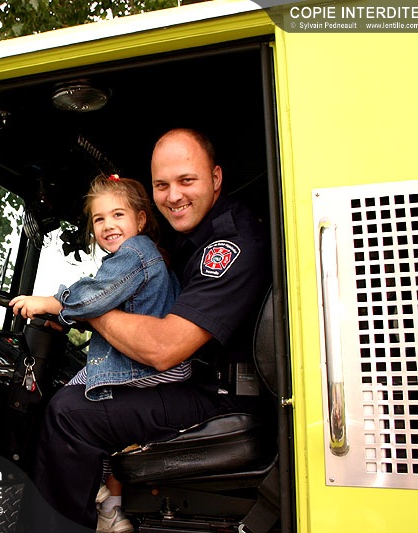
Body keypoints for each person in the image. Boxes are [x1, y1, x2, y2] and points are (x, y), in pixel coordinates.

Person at [27, 128, 271, 531]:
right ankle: (106, 508)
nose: (173, 196)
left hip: (221, 397)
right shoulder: (185, 238)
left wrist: (86, 309)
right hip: (194, 383)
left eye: (186, 180)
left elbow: (163, 348)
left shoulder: (232, 244)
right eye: (162, 185)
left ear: (215, 178)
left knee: (68, 413)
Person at [10, 174, 190, 533]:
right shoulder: (146, 256)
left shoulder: (134, 253)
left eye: (118, 215)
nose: (108, 225)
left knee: (66, 407)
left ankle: (74, 490)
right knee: (101, 426)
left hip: (141, 367)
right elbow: (114, 314)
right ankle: (110, 509)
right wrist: (67, 319)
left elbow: (94, 296)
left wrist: (48, 302)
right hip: (162, 370)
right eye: (99, 219)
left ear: (141, 220)